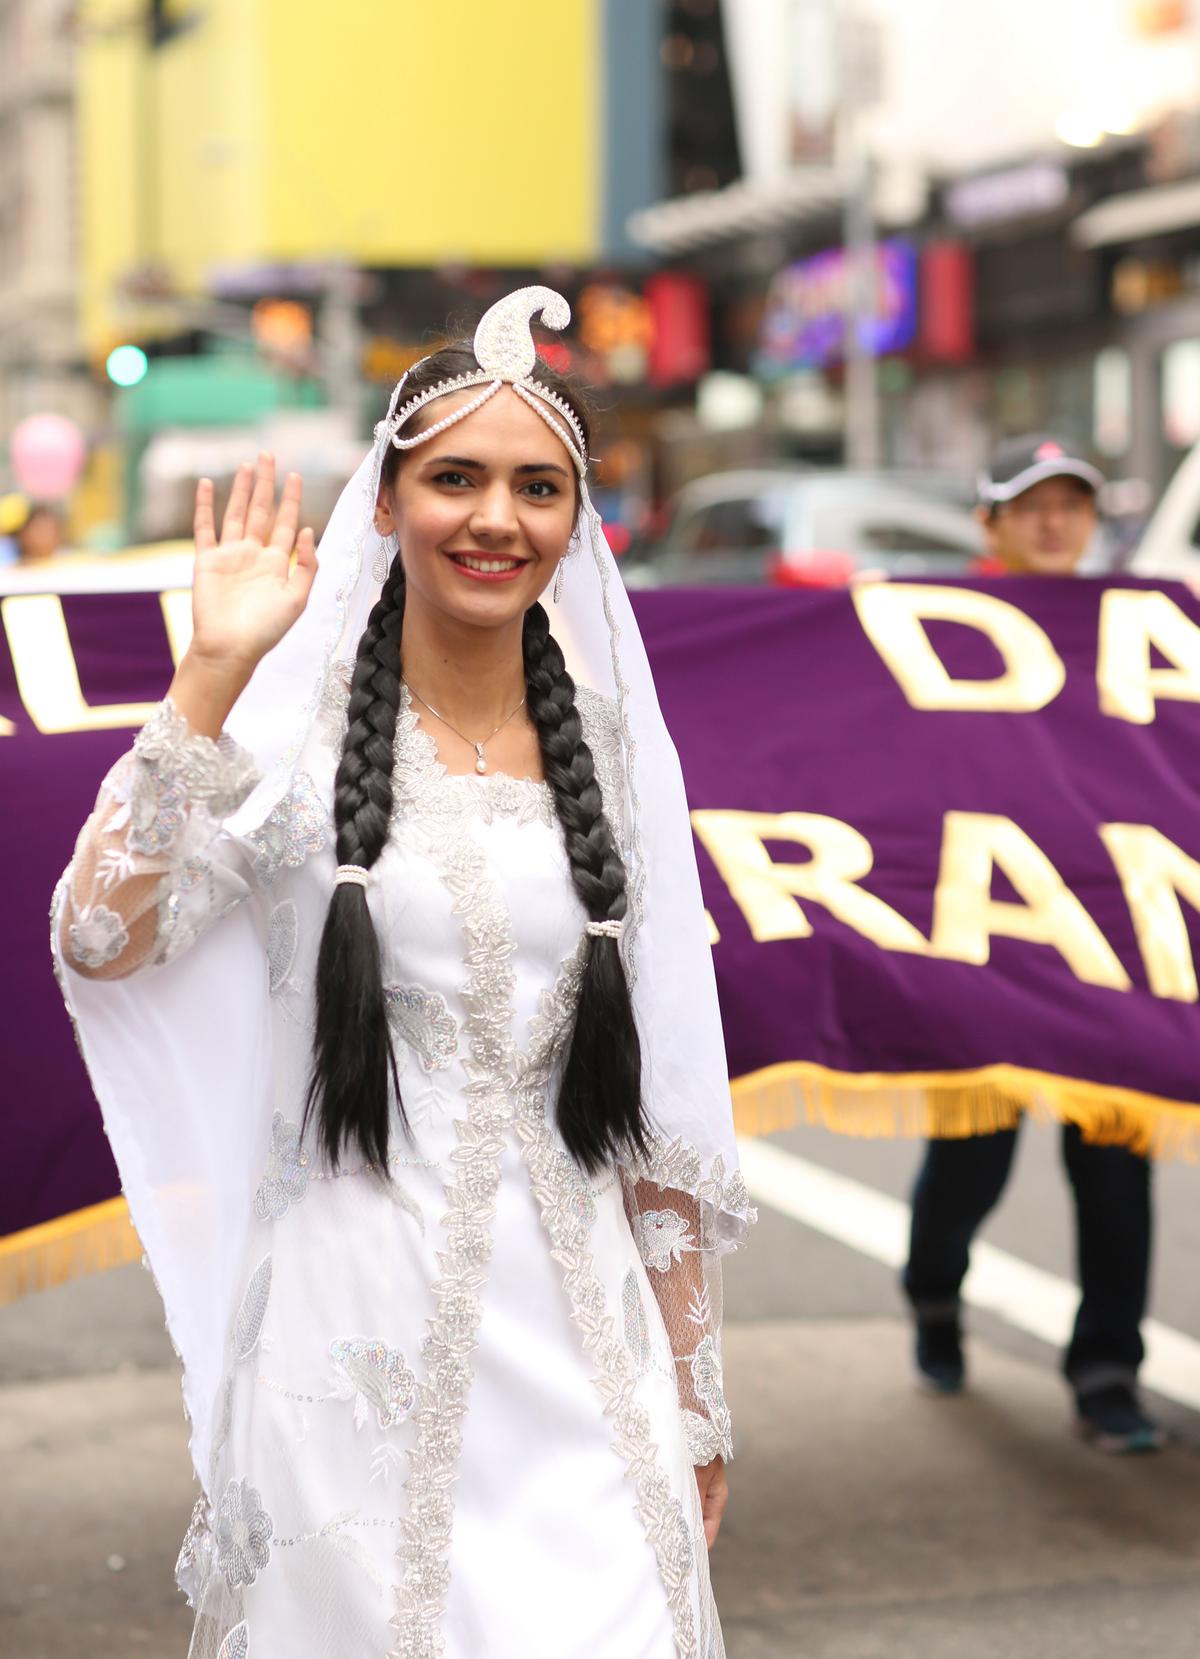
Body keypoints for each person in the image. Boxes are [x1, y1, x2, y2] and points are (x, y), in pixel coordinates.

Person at [53, 288, 753, 1659]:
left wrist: (697, 1387)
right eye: (456, 478)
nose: (497, 517)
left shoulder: (611, 748)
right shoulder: (292, 739)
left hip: (585, 1351)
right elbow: (98, 934)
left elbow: (658, 1101)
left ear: (576, 520)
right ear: (387, 502)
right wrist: (205, 677)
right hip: (353, 1348)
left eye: (537, 487)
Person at [903, 433, 1163, 1454]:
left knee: (1115, 1166)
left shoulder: (1137, 628)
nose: (1055, 522)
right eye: (1031, 505)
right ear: (991, 523)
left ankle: (1108, 1375)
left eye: (1073, 504)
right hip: (985, 938)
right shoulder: (931, 628)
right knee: (971, 1159)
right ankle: (933, 1292)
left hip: (1109, 940)